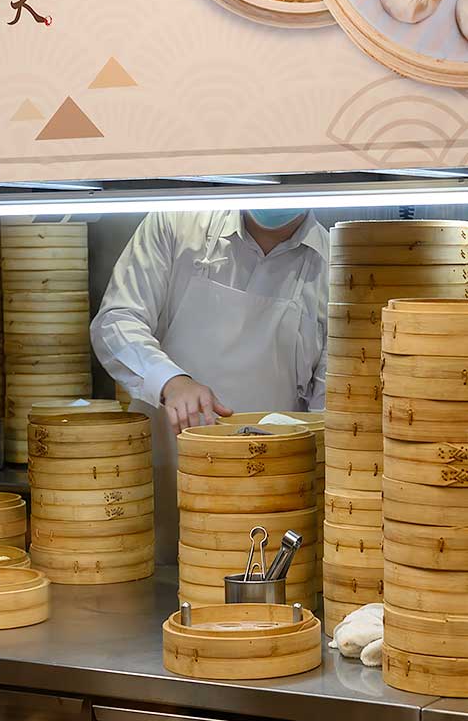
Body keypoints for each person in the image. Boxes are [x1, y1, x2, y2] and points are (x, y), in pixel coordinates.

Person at [90, 208, 328, 562]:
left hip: (271, 502)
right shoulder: (176, 223)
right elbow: (116, 321)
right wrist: (171, 381)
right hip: (164, 485)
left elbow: (332, 404)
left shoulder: (334, 266)